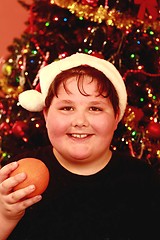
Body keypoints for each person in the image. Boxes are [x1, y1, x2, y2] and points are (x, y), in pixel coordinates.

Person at [0, 53, 160, 240]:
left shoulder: (143, 180)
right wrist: (5, 216)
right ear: (46, 114)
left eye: (95, 108)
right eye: (67, 108)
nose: (80, 121)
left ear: (116, 117)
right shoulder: (17, 175)